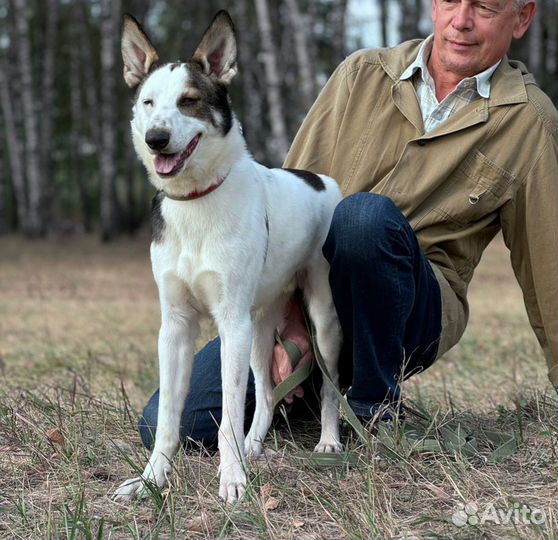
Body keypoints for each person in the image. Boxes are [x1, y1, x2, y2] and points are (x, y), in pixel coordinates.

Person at [138, 0, 557, 450]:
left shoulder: (529, 120)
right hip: (312, 285)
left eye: (486, 7)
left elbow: (548, 262)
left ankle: (373, 409)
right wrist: (288, 320)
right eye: (451, 0)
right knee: (175, 426)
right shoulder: (361, 73)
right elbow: (289, 198)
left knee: (363, 218)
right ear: (434, 5)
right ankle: (315, 386)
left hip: (416, 308)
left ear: (523, 17)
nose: (462, 20)